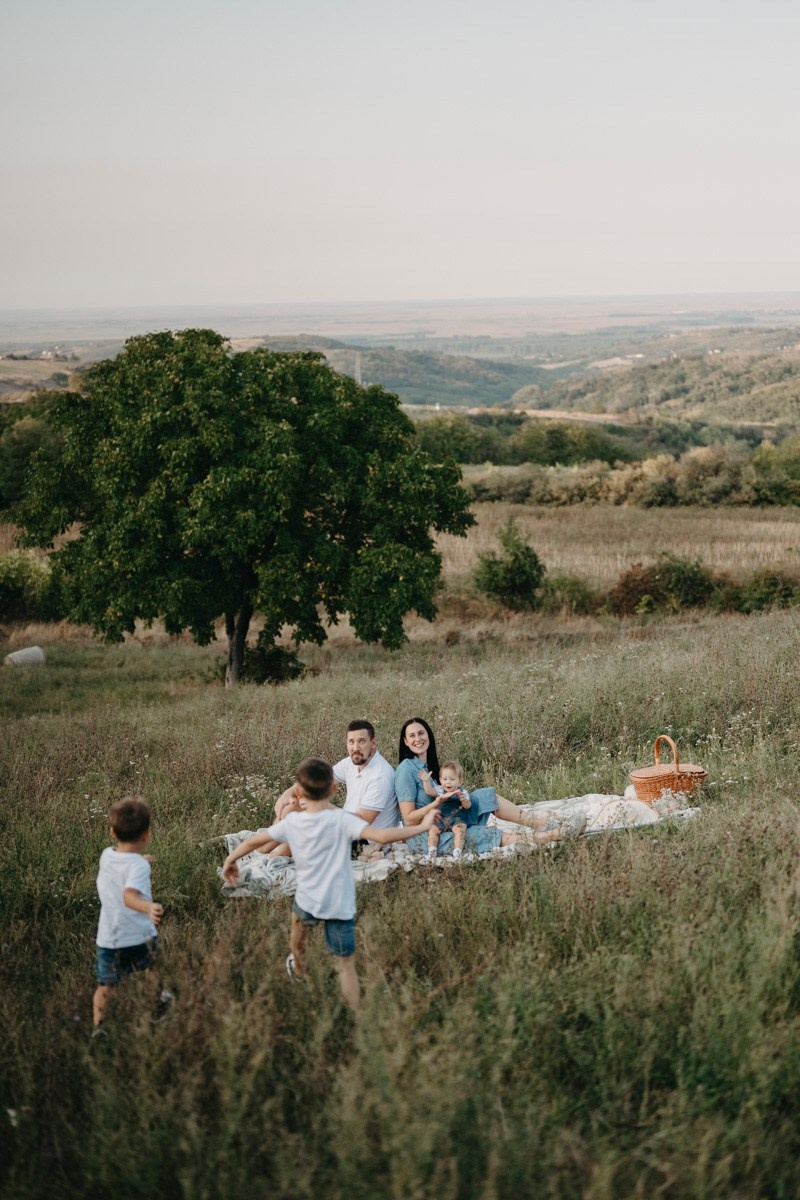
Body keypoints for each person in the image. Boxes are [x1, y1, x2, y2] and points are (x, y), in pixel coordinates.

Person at [222, 757, 437, 1012]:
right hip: (340, 905)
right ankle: (358, 1014)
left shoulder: (293, 822)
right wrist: (424, 826)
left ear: (299, 792)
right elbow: (383, 835)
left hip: (308, 900)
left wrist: (230, 861)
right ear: (334, 789)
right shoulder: (343, 820)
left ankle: (298, 966)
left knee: (298, 933)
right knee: (345, 965)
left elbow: (253, 842)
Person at [395, 717, 560, 856]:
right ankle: (544, 837)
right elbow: (408, 819)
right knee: (476, 833)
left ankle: (539, 823)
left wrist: (460, 799)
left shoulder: (425, 766)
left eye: (421, 733)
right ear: (405, 741)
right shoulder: (405, 770)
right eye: (412, 735)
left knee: (484, 797)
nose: (418, 739)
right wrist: (437, 803)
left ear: (428, 735)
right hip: (426, 834)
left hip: (444, 819)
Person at [93, 796, 172, 1031]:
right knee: (153, 967)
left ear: (112, 832)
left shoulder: (107, 855)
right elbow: (128, 896)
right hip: (138, 936)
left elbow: (122, 866)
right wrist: (149, 907)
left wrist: (139, 860)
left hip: (109, 938)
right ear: (146, 835)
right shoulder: (138, 866)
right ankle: (157, 1007)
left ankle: (100, 1028)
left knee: (106, 985)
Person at [332, 719, 400, 857]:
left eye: (361, 741)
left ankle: (283, 854)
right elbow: (319, 779)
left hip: (367, 841)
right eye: (351, 742)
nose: (355, 747)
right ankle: (282, 854)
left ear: (373, 743)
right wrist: (291, 792)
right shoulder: (350, 762)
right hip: (349, 830)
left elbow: (362, 820)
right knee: (295, 806)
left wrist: (323, 811)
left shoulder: (380, 775)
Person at [418, 760, 472, 860]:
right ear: (440, 780)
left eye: (452, 779)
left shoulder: (463, 792)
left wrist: (464, 801)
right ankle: (432, 851)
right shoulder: (440, 790)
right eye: (445, 779)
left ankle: (457, 853)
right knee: (432, 830)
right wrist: (426, 781)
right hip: (441, 817)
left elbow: (468, 806)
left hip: (457, 818)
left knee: (460, 831)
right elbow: (430, 792)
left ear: (460, 781)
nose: (448, 782)